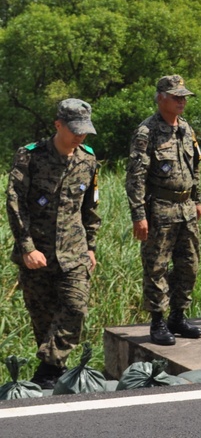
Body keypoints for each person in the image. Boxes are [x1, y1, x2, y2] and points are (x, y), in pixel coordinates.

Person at [5, 98, 100, 389]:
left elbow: (91, 207)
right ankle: (53, 372)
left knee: (75, 308)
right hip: (38, 253)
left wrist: (91, 246)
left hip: (74, 253)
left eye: (85, 130)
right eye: (75, 130)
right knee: (43, 317)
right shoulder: (31, 157)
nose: (80, 135)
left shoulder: (87, 159)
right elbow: (15, 203)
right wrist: (26, 247)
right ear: (58, 125)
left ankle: (47, 366)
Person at [126, 75, 201, 346]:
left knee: (189, 265)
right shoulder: (147, 132)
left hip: (185, 209)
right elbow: (135, 177)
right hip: (159, 210)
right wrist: (139, 215)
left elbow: (195, 167)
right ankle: (158, 321)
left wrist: (197, 199)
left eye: (184, 96)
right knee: (156, 267)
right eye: (176, 96)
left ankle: (178, 317)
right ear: (161, 98)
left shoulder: (185, 127)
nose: (182, 101)